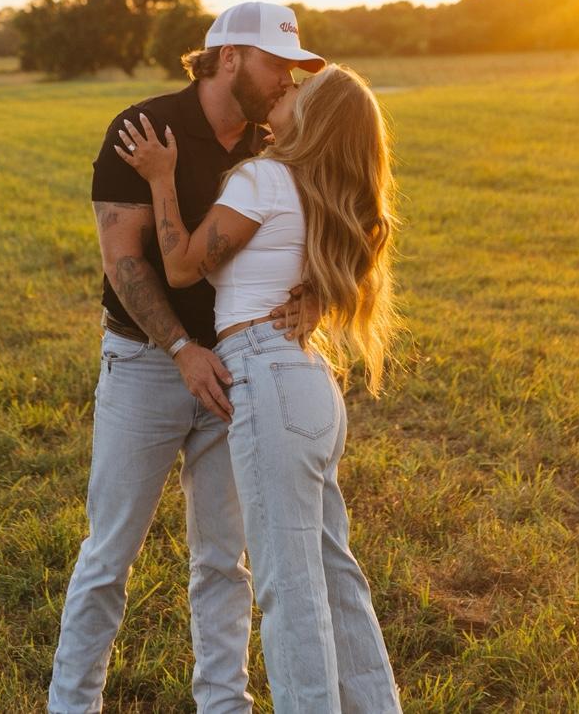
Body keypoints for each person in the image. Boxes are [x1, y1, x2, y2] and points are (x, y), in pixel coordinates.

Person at [48, 2, 326, 714]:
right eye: (277, 63)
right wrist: (180, 350)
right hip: (147, 365)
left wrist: (317, 300)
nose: (287, 80)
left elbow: (318, 233)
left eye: (295, 67)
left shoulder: (280, 142)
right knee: (109, 555)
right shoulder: (145, 129)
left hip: (239, 373)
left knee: (223, 561)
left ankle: (224, 705)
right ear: (230, 57)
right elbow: (125, 263)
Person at [115, 63, 403, 714]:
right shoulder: (323, 188)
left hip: (267, 379)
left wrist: (161, 178)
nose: (284, 87)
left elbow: (182, 267)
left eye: (299, 89)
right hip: (308, 382)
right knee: (334, 577)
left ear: (314, 116)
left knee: (288, 588)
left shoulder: (267, 178)